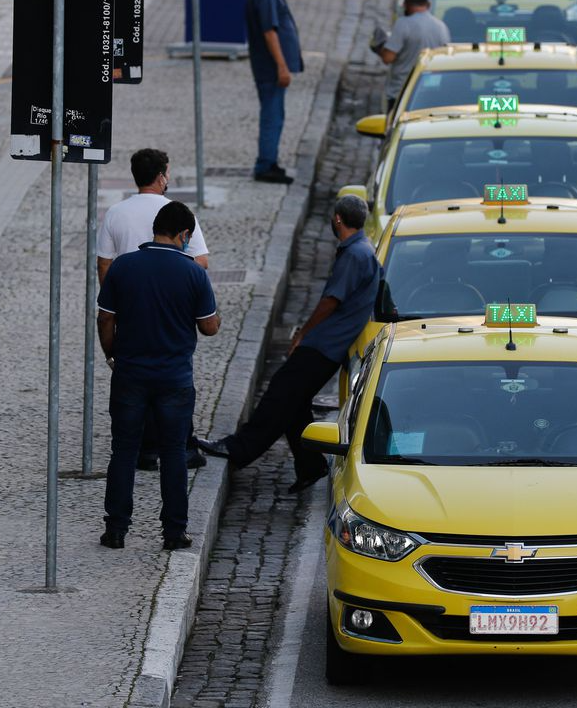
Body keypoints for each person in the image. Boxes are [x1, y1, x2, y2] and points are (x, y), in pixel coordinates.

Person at [197, 196, 380, 494]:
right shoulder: (364, 249)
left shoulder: (355, 255)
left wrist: (303, 334)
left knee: (280, 394)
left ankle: (238, 448)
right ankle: (311, 466)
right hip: (331, 344)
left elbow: (331, 301)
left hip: (324, 344)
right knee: (294, 403)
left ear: (337, 219)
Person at [96, 202, 221, 551]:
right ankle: (173, 532)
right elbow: (209, 327)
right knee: (173, 453)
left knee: (123, 450)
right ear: (183, 235)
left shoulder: (124, 267)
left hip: (130, 374)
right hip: (174, 378)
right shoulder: (193, 273)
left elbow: (105, 318)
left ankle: (116, 529)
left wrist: (111, 353)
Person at [97, 148, 209, 472]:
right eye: (168, 172)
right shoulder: (175, 212)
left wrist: (117, 299)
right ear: (161, 176)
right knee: (175, 377)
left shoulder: (116, 213)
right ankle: (181, 446)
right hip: (171, 306)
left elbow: (105, 264)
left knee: (135, 378)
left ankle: (144, 449)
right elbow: (200, 261)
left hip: (130, 307)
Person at [246, 0, 304, 185]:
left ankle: (271, 161)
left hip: (269, 67)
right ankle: (265, 165)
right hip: (269, 69)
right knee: (272, 117)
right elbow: (270, 32)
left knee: (276, 115)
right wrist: (282, 66)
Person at [374, 0, 451, 112]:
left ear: (405, 4)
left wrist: (379, 47)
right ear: (428, 4)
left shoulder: (403, 24)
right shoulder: (441, 26)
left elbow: (388, 57)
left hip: (403, 92)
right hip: (433, 90)